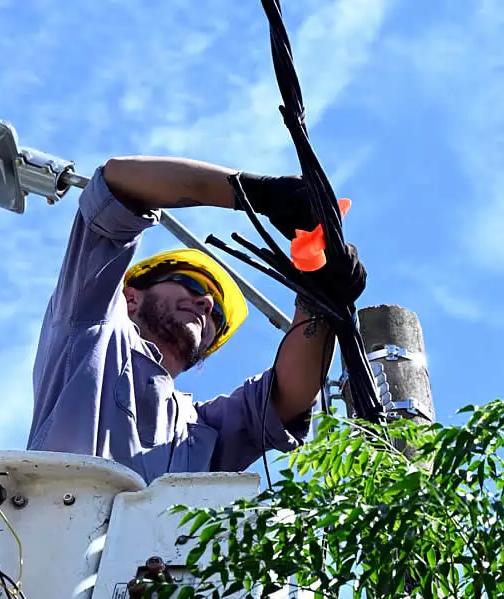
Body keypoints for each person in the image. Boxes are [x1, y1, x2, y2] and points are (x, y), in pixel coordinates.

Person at [26, 156, 366, 484]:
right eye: (190, 284)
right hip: (49, 533)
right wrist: (253, 192)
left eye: (217, 314)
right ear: (130, 297)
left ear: (204, 356)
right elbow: (117, 184)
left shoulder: (198, 431)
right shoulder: (91, 325)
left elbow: (289, 396)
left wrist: (317, 298)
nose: (205, 303)